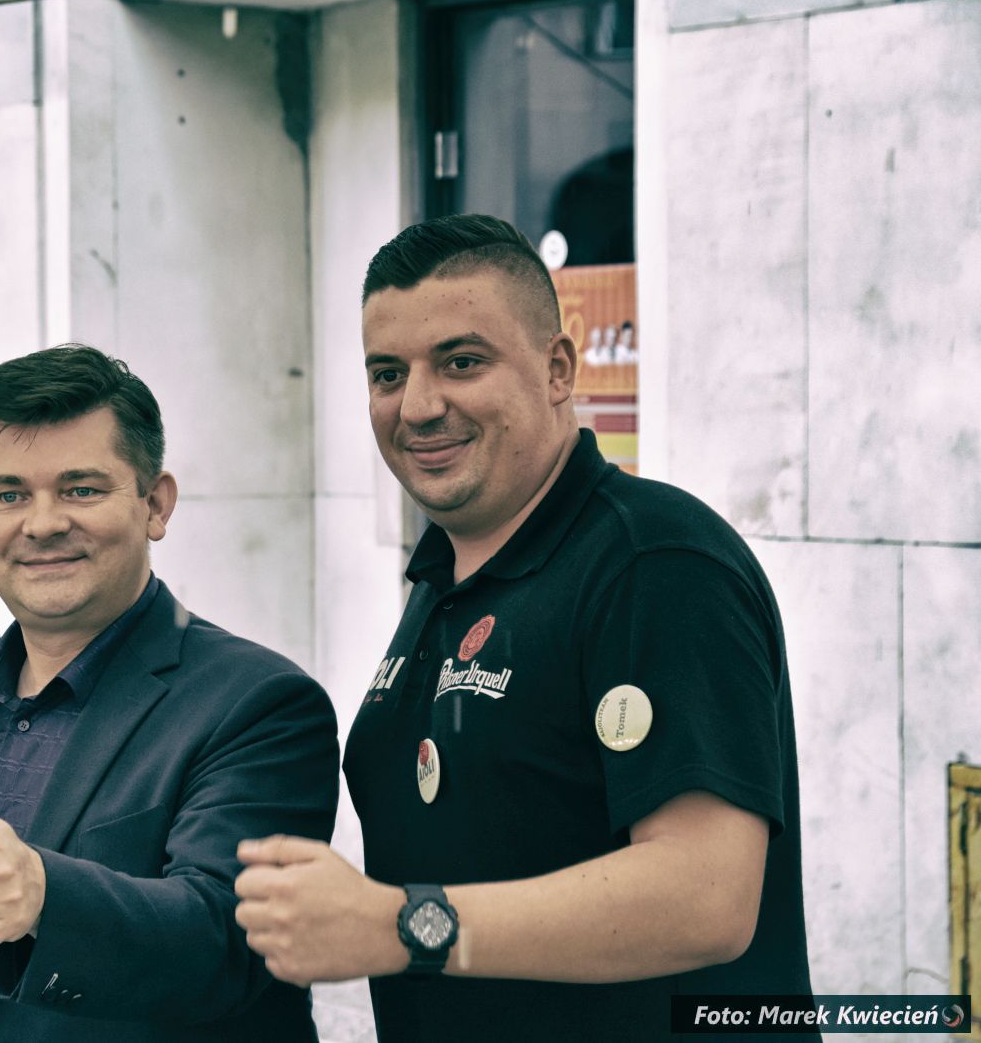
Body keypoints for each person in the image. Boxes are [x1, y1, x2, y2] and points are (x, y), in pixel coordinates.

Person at [234, 214, 815, 1041]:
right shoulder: (448, 574)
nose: (418, 406)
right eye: (388, 373)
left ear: (557, 369)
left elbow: (706, 898)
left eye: (461, 362)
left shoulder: (654, 563)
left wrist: (402, 926)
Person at [0, 345, 339, 1042]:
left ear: (155, 503)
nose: (42, 524)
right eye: (10, 495)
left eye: (81, 490)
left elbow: (233, 938)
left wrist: (46, 896)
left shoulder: (261, 703)